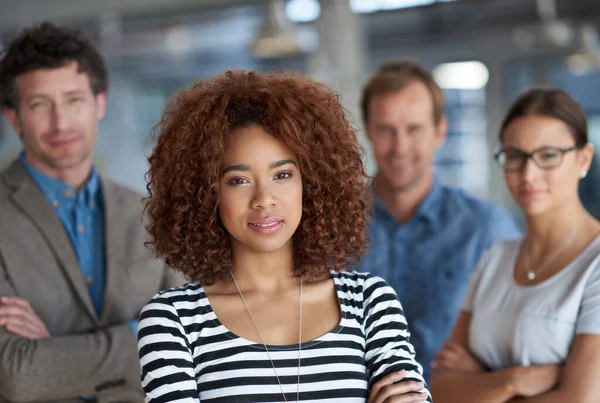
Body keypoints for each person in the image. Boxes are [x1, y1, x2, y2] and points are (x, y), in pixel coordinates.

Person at [137, 70, 432, 403]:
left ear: (312, 182)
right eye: (238, 180)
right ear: (206, 193)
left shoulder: (370, 303)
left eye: (282, 174)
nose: (264, 198)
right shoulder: (173, 320)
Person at [0, 22, 181, 402]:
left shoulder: (151, 213)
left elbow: (189, 349)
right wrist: (137, 335)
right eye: (38, 105)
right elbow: (14, 374)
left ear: (99, 102)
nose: (60, 123)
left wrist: (56, 353)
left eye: (73, 99)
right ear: (13, 117)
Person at [430, 88, 600, 402]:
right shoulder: (495, 257)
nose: (529, 174)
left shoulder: (595, 263)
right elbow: (440, 389)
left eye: (548, 156)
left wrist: (479, 382)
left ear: (583, 158)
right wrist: (513, 381)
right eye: (515, 156)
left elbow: (579, 400)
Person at [355, 60, 521, 382]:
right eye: (386, 129)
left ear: (440, 131)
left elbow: (521, 337)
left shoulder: (486, 229)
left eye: (414, 129)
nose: (400, 147)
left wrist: (486, 370)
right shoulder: (330, 225)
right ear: (368, 131)